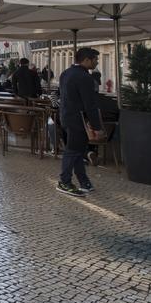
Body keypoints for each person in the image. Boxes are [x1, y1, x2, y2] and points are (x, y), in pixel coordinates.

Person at [57, 48, 104, 196]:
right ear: (86, 60)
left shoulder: (65, 74)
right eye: (95, 59)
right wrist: (97, 127)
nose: (97, 62)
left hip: (66, 117)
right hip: (78, 120)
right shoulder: (85, 78)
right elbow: (90, 104)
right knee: (72, 151)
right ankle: (64, 182)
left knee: (77, 151)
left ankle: (84, 181)